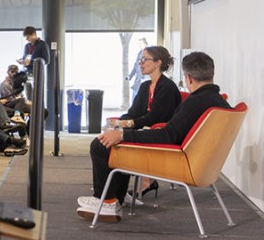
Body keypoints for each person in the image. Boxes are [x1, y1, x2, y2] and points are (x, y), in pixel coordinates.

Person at [79, 52, 230, 222]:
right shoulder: (220, 103)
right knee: (116, 141)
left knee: (100, 144)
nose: (141, 63)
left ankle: (106, 201)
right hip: (201, 165)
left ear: (188, 78)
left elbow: (167, 135)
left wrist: (122, 134)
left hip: (175, 159)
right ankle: (114, 199)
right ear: (212, 74)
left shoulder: (194, 102)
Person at [117, 45, 182, 133]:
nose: (140, 63)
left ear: (157, 63)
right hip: (143, 130)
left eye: (144, 59)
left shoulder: (167, 87)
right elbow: (133, 113)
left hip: (159, 133)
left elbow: (155, 118)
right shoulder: (145, 86)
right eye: (140, 60)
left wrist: (129, 123)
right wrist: (120, 122)